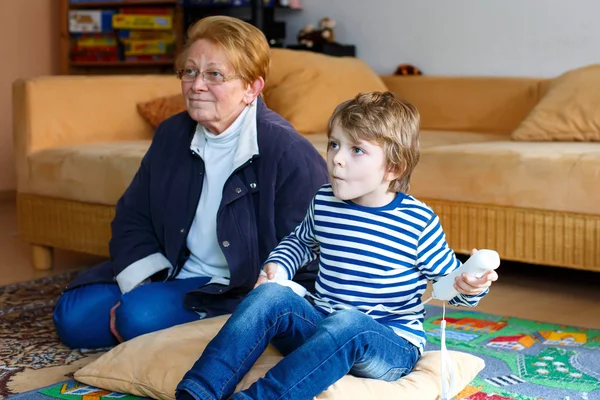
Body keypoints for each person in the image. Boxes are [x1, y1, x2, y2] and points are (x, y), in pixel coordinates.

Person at [175, 91, 500, 400]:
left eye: (356, 150)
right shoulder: (324, 201)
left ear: (393, 168)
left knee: (350, 322)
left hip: (389, 345)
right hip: (322, 326)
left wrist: (470, 286)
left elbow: (448, 286)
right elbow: (300, 242)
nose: (336, 159)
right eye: (334, 144)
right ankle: (199, 390)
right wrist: (278, 265)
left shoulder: (417, 221)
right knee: (269, 295)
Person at [52, 16, 328, 350]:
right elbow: (133, 215)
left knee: (135, 317)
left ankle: (213, 322)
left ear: (252, 88)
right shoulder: (172, 133)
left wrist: (267, 298)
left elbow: (310, 250)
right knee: (72, 317)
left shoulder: (288, 152)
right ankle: (164, 318)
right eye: (190, 71)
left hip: (234, 287)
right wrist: (144, 283)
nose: (196, 85)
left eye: (214, 74)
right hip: (172, 270)